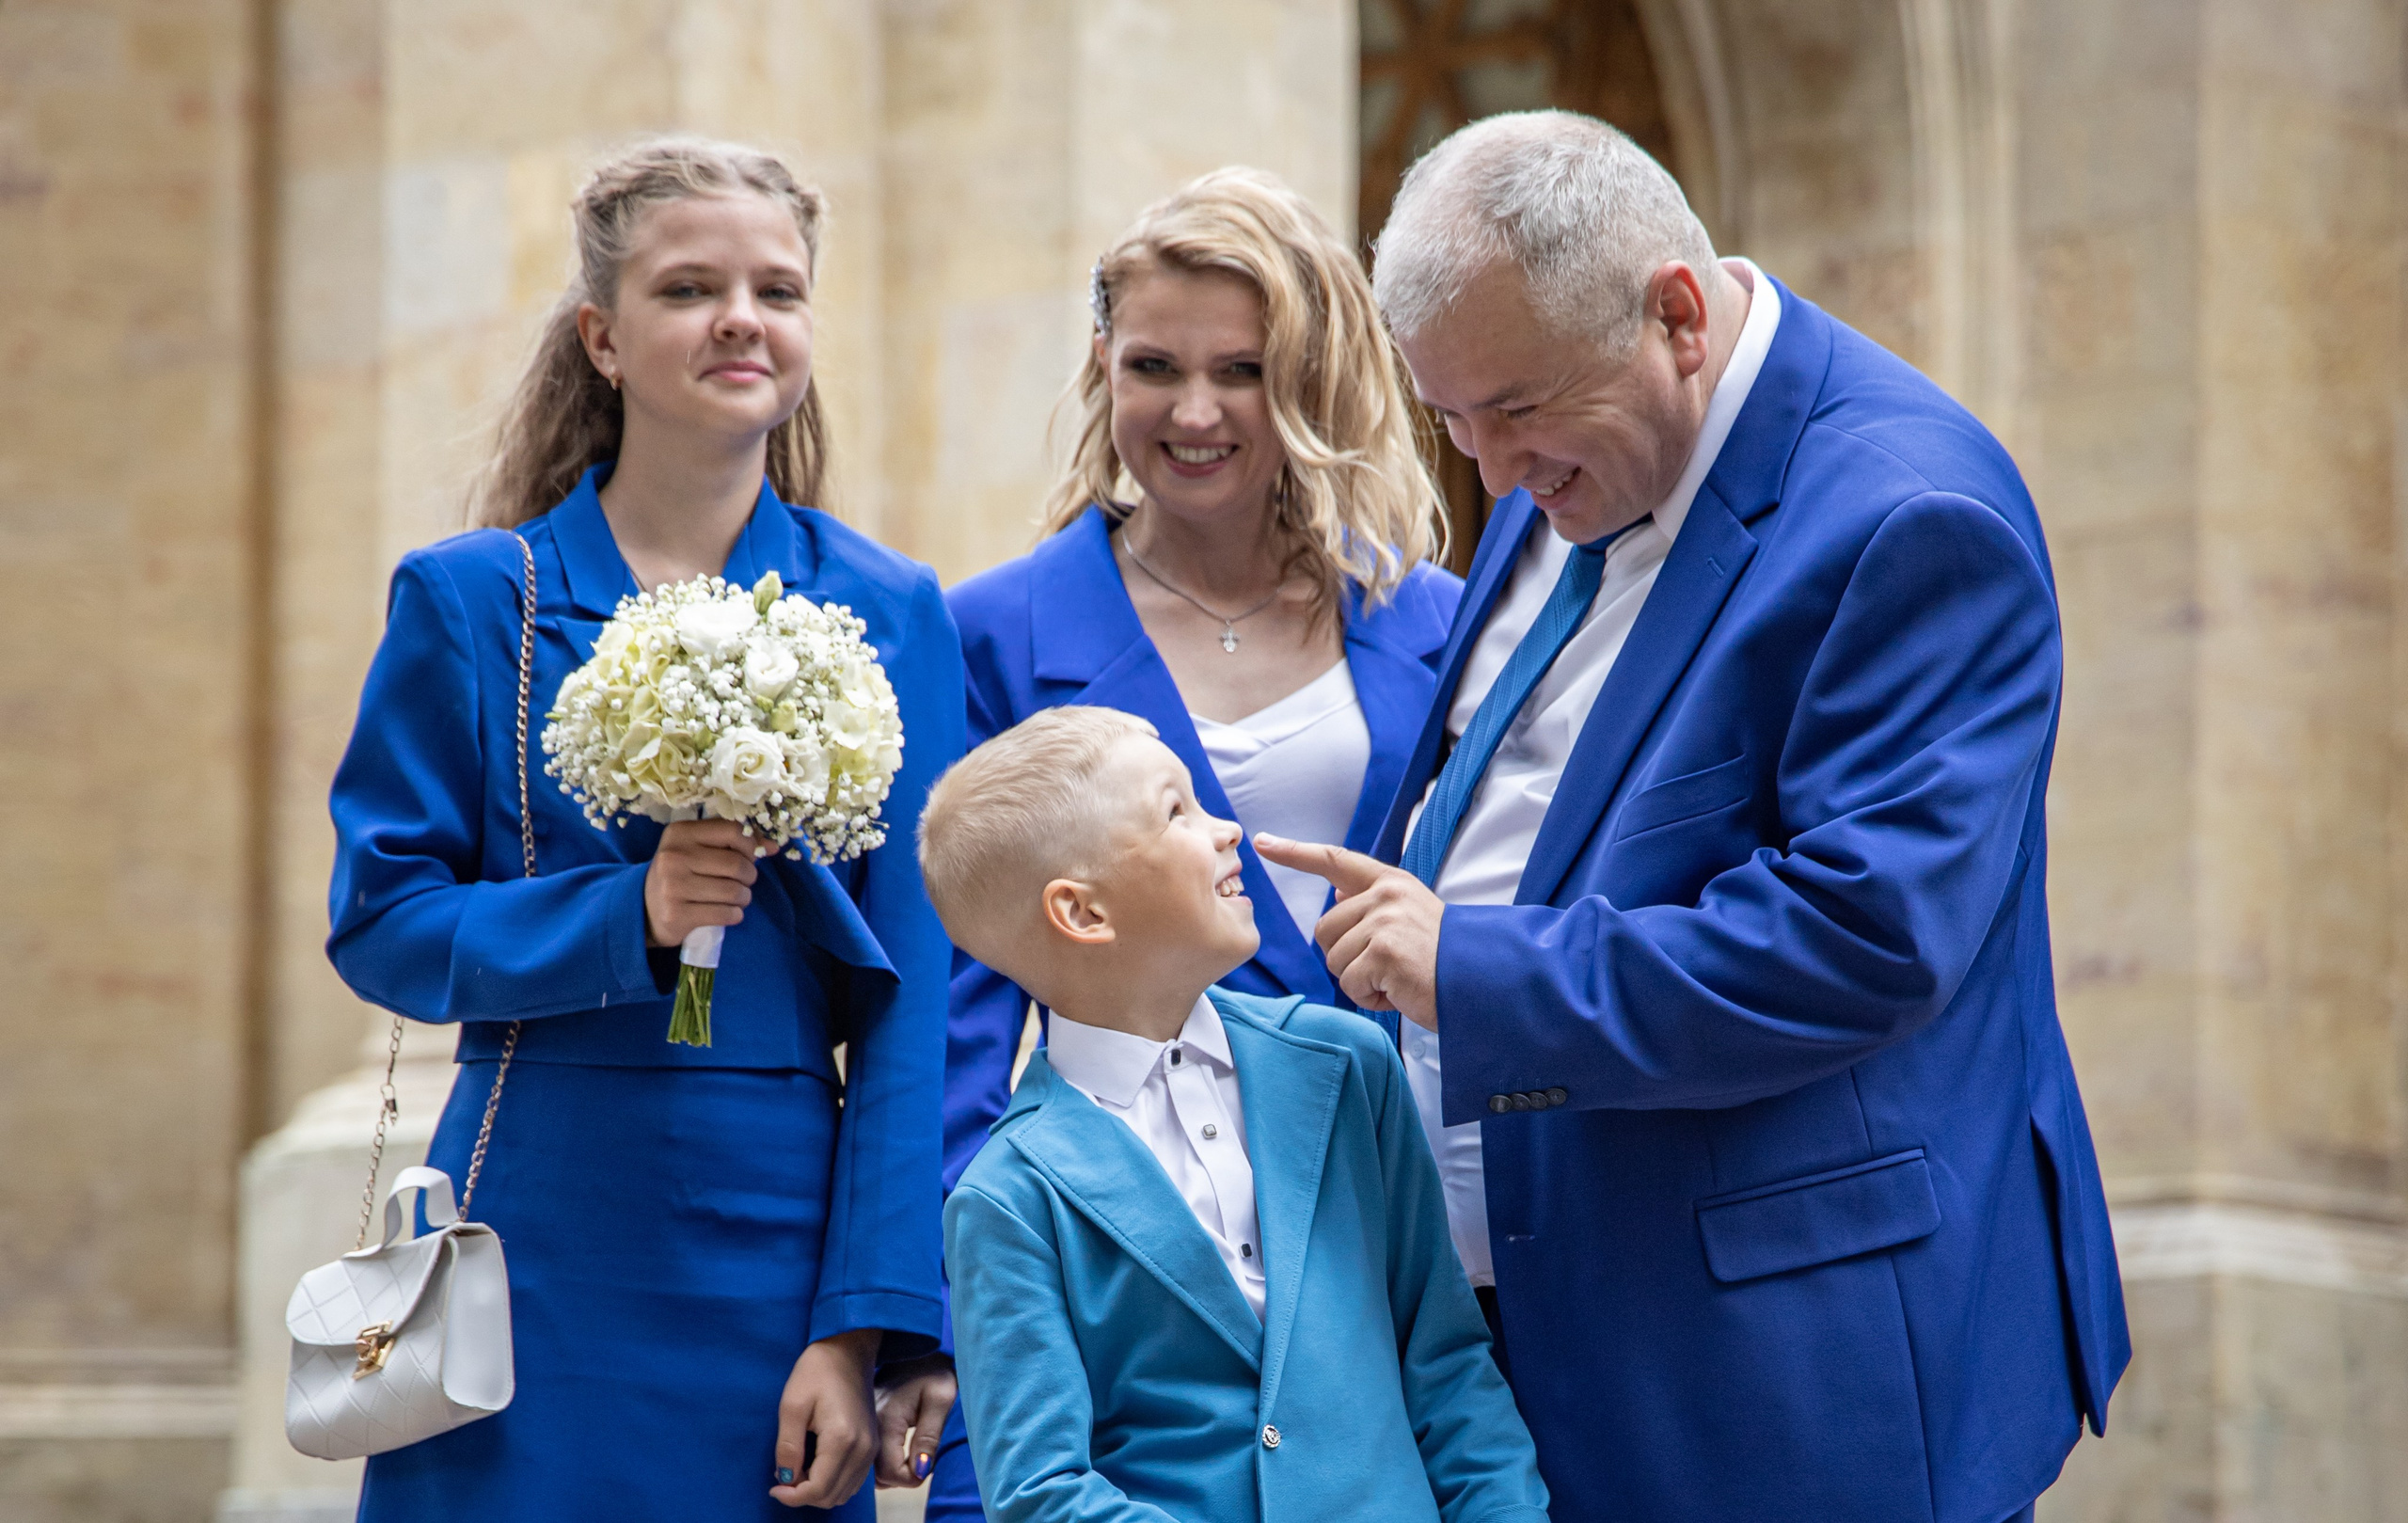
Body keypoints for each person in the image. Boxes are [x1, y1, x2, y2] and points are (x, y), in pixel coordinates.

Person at [1257, 111, 2131, 1523]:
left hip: (1778, 1370)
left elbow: (1867, 935)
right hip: (1506, 1339)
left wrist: (1470, 972)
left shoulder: (1914, 514)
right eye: (1454, 417)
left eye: (1517, 408)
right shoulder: (1571, 450)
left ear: (1675, 313)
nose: (1489, 471)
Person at [325, 139, 961, 1520]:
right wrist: (632, 916)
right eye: (691, 288)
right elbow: (380, 923)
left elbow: (922, 996)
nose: (743, 317)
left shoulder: (893, 608)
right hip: (533, 1220)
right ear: (603, 338)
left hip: (779, 1233)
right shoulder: (472, 599)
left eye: (778, 289)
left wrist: (865, 1319)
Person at [930, 168, 1456, 1515]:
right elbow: (963, 1000)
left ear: (1309, 374)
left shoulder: (1441, 620)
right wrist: (943, 1313)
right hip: (1130, 1246)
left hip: (1388, 1220)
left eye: (1243, 367)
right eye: (1154, 364)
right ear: (1103, 365)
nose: (1197, 409)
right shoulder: (991, 630)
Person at [921, 706, 1549, 1523]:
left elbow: (1449, 1365)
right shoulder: (1006, 1198)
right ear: (1083, 913)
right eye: (1176, 809)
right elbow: (1042, 1494)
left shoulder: (1347, 1065)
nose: (1226, 829)